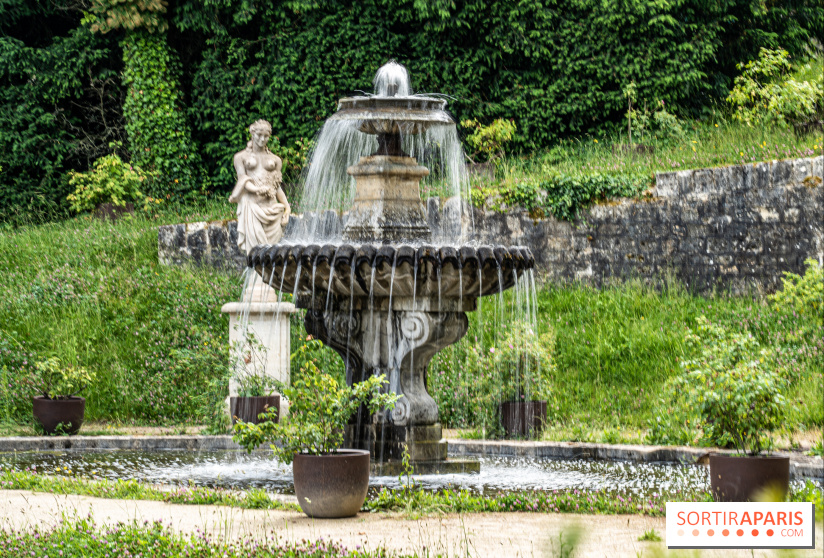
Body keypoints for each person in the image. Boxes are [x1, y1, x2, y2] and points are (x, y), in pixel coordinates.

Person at [229, 119, 291, 254]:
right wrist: (258, 189)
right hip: (252, 208)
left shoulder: (276, 160)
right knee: (256, 254)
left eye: (266, 136)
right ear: (252, 133)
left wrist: (287, 208)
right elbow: (243, 180)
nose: (262, 139)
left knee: (272, 255)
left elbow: (277, 187)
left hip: (272, 210)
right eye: (259, 135)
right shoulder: (240, 157)